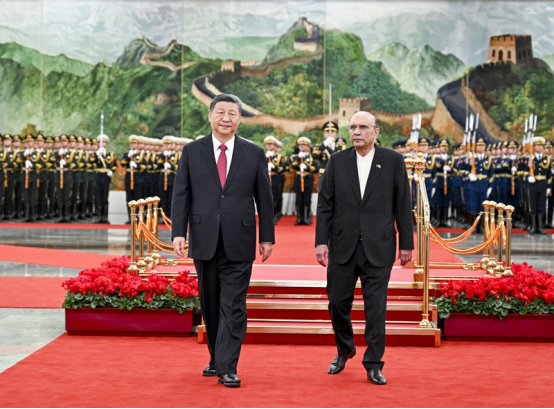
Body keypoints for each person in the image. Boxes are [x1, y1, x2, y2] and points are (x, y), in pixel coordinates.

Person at [172, 94, 275, 389]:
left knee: (234, 304)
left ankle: (228, 366)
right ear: (210, 115)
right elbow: (181, 194)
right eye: (221, 112)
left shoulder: (253, 153)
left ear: (240, 118)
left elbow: (264, 198)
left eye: (232, 113)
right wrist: (179, 232)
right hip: (204, 238)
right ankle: (216, 358)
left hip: (239, 240)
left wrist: (267, 237)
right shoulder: (192, 151)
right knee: (211, 303)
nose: (226, 118)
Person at [316, 111, 413, 386]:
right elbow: (325, 204)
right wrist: (321, 241)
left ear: (376, 132)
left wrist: (406, 244)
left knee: (376, 309)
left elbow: (403, 204)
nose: (356, 132)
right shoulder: (337, 161)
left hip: (379, 246)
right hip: (342, 245)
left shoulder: (393, 161)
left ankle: (373, 363)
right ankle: (345, 348)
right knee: (337, 303)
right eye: (352, 127)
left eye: (363, 127)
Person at [524, 137, 552, 235]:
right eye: (537, 145)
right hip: (532, 185)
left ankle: (540, 227)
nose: (539, 147)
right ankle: (533, 227)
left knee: (541, 206)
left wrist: (549, 187)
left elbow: (549, 174)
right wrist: (528, 177)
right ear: (534, 147)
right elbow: (525, 172)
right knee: (533, 206)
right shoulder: (530, 158)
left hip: (543, 185)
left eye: (541, 146)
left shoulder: (547, 159)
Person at [291, 137, 319, 226]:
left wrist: (307, 168)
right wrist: (298, 159)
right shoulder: (296, 157)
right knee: (298, 199)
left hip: (307, 179)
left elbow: (316, 168)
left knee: (307, 199)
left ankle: (306, 218)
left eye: (304, 145)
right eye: (300, 145)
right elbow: (293, 166)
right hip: (298, 179)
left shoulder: (311, 157)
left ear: (308, 147)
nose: (302, 147)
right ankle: (299, 218)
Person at [93, 134, 117, 224]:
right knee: (98, 197)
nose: (102, 144)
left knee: (105, 197)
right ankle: (99, 217)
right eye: (100, 142)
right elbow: (91, 163)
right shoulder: (96, 154)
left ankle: (105, 217)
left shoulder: (110, 154)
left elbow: (114, 165)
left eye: (104, 142)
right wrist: (97, 155)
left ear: (106, 144)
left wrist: (111, 171)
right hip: (98, 176)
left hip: (106, 177)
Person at [313, 122, 339, 191]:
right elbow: (314, 156)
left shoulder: (340, 147)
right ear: (324, 134)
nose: (330, 134)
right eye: (327, 132)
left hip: (337, 176)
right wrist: (324, 145)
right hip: (323, 176)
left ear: (336, 134)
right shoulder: (319, 147)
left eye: (332, 131)